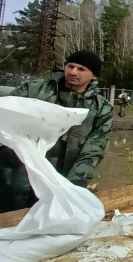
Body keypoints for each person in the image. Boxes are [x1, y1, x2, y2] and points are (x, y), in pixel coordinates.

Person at [0, 50, 113, 212]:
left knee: (46, 221)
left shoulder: (100, 109)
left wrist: (76, 182)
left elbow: (93, 149)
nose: (73, 72)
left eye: (81, 69)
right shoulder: (34, 90)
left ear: (94, 76)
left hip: (58, 177)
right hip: (15, 173)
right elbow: (4, 115)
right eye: (70, 66)